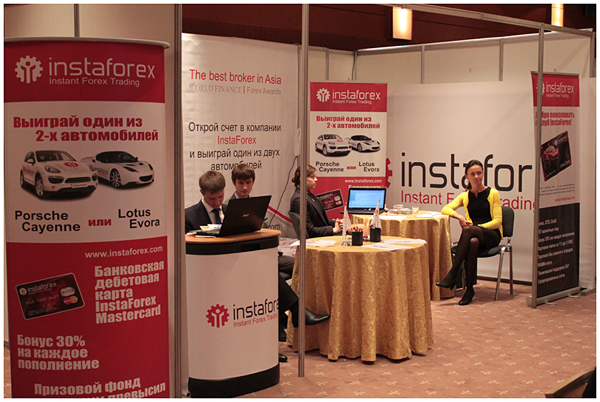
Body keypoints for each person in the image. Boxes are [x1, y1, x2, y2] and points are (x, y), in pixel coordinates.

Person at [186, 169, 330, 362]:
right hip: (212, 275)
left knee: (265, 275)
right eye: (212, 199)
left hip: (238, 266)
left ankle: (266, 346)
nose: (218, 203)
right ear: (202, 193)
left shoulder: (230, 211)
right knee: (265, 277)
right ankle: (296, 312)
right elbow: (188, 251)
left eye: (220, 197)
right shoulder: (189, 216)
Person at [436, 159, 503, 306]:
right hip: (474, 236)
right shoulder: (465, 196)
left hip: (491, 235)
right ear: (466, 176)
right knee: (472, 242)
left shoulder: (493, 193)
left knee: (469, 230)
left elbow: (498, 221)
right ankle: (470, 290)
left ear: (483, 174)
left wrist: (478, 227)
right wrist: (460, 217)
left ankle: (453, 273)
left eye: (479, 173)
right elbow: (445, 209)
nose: (477, 176)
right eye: (473, 174)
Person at [290, 165, 343, 238]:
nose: (316, 179)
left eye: (315, 176)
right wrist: (333, 230)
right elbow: (310, 231)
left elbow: (321, 221)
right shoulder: (299, 200)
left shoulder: (309, 195)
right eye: (312, 177)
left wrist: (336, 223)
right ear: (302, 179)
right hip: (317, 239)